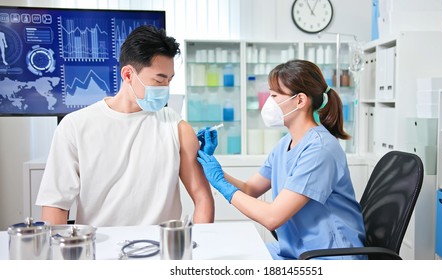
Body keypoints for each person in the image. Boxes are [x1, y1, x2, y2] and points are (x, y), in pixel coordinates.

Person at [36, 25, 214, 227]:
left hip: (163, 250)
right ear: (128, 75)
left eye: (169, 80)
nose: (166, 89)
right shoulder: (75, 126)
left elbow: (203, 198)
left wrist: (200, 247)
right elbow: (55, 205)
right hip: (99, 250)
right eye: (159, 80)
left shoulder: (176, 127)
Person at [197, 59, 366, 260]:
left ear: (300, 100)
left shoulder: (320, 149)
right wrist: (211, 165)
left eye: (275, 95)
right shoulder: (286, 143)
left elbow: (272, 217)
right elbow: (250, 189)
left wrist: (220, 183)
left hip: (330, 257)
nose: (268, 102)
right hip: (298, 251)